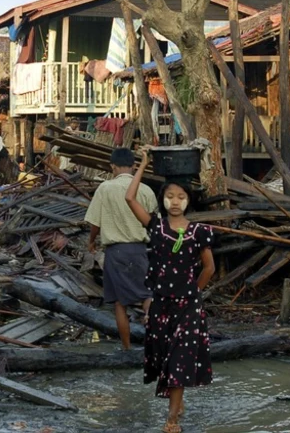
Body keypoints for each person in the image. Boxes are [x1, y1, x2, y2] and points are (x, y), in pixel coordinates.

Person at [125, 149, 215, 433]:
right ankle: (178, 402)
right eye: (170, 197)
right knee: (165, 357)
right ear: (163, 199)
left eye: (181, 197)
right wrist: (142, 165)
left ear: (189, 201)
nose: (175, 202)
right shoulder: (156, 226)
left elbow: (209, 268)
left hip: (187, 306)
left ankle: (172, 420)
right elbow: (129, 197)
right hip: (161, 306)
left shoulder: (199, 231)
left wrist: (193, 294)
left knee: (179, 360)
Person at [85, 148, 157, 350]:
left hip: (115, 252)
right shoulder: (145, 190)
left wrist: (91, 241)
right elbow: (151, 220)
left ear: (113, 167)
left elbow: (95, 223)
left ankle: (126, 349)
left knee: (119, 303)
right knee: (147, 294)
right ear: (134, 166)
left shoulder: (105, 188)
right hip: (140, 249)